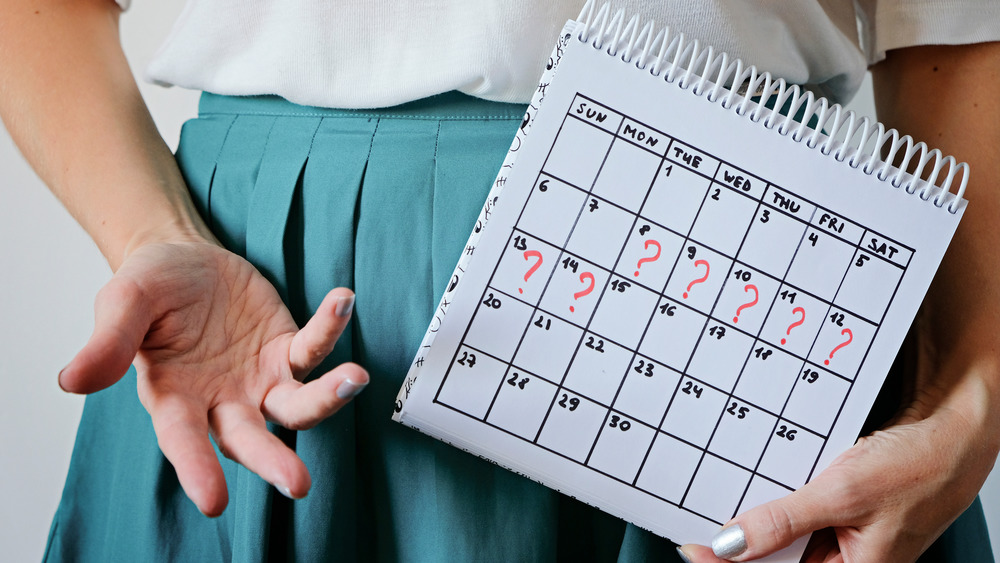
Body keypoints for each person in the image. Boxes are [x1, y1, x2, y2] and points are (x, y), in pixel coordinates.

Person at [1, 0, 998, 561]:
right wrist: (148, 228)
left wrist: (971, 399)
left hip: (746, 303)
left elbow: (957, 22)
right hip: (258, 306)